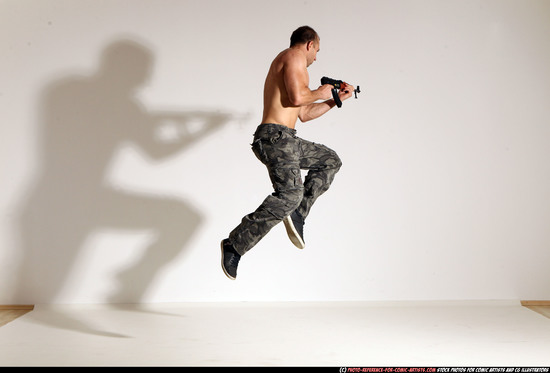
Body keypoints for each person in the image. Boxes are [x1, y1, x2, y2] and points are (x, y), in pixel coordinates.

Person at [221, 26, 354, 280]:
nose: (316, 57)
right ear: (309, 44)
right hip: (274, 137)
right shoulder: (293, 56)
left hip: (288, 139)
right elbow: (296, 98)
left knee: (330, 161)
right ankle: (234, 245)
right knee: (290, 194)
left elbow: (303, 113)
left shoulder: (298, 70)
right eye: (317, 51)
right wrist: (322, 91)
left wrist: (334, 100)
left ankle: (298, 214)